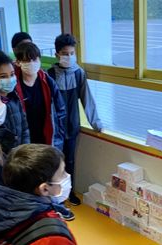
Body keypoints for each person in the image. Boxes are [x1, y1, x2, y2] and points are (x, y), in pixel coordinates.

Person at [13, 42, 73, 220]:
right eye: (27, 60)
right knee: (29, 175)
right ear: (18, 62)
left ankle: (54, 206)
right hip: (25, 137)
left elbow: (60, 110)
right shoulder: (14, 85)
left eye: (35, 59)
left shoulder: (46, 81)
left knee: (49, 173)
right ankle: (32, 210)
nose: (32, 63)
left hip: (47, 135)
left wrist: (60, 134)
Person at [48, 33, 102, 207]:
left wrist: (95, 122)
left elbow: (87, 98)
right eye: (65, 53)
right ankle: (55, 197)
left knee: (70, 161)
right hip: (55, 127)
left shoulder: (79, 73)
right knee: (55, 162)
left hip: (72, 126)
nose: (69, 57)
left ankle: (69, 192)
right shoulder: (49, 74)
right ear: (57, 54)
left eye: (72, 53)